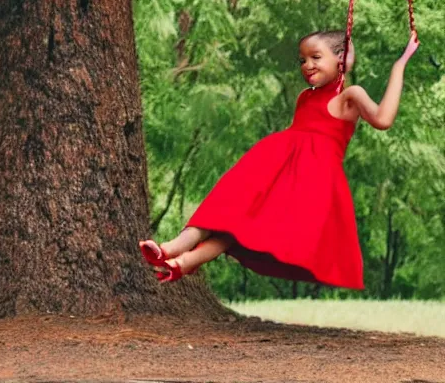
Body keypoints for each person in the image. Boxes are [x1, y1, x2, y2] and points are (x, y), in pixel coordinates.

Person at [139, 30, 419, 288]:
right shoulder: (304, 97)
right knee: (224, 213)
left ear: (341, 59)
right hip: (273, 166)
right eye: (303, 59)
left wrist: (399, 65)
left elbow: (383, 119)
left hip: (307, 182)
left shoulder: (350, 95)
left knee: (237, 230)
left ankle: (181, 260)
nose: (307, 65)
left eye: (316, 57)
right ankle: (172, 253)